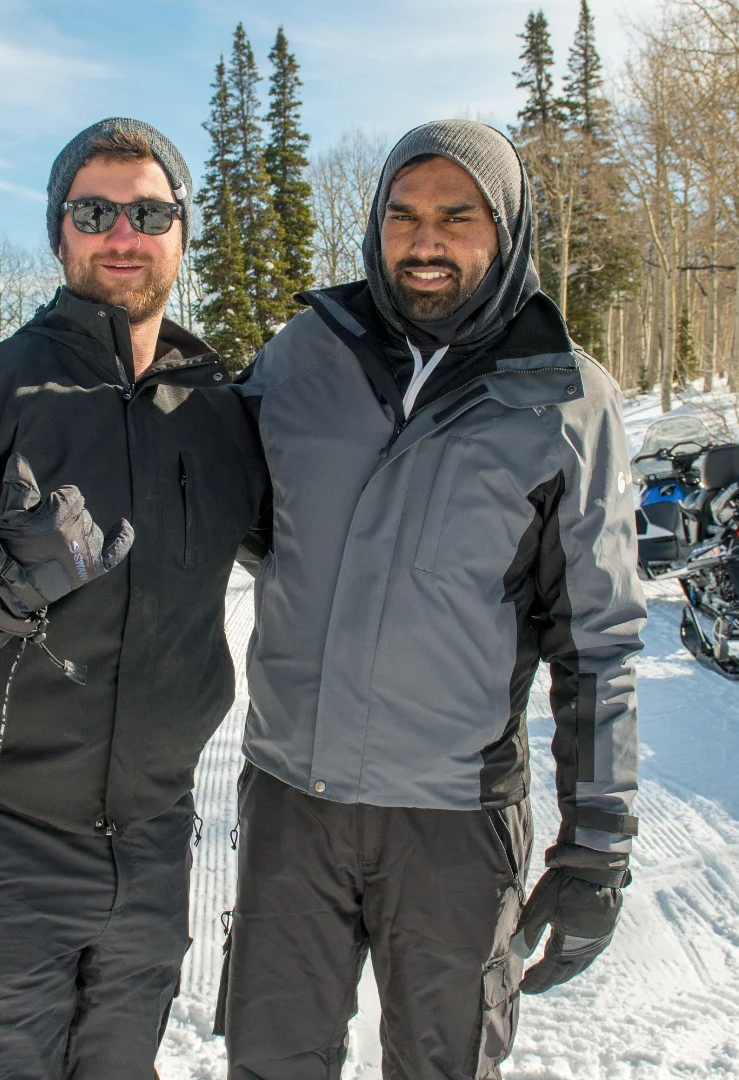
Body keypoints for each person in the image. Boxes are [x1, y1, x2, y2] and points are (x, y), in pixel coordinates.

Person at [0, 117, 265, 1079]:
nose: (123, 232)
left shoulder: (219, 416)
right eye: (95, 210)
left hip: (152, 846)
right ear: (59, 231)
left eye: (148, 211)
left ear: (181, 231)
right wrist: (1, 580)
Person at [222, 119, 645, 1080]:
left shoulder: (567, 403)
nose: (424, 241)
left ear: (505, 231)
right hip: (293, 802)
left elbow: (599, 647)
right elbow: (211, 508)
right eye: (403, 215)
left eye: (458, 217)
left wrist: (597, 851)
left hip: (452, 821)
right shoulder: (300, 358)